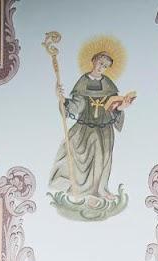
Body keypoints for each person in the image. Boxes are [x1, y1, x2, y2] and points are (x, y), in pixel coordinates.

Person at [48, 50, 134, 202]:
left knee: (103, 158)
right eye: (101, 63)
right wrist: (63, 100)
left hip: (104, 129)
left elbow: (112, 107)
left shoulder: (108, 84)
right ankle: (82, 190)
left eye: (106, 66)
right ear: (94, 61)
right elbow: (77, 105)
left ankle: (101, 190)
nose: (102, 68)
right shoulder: (83, 82)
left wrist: (121, 107)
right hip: (86, 128)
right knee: (81, 157)